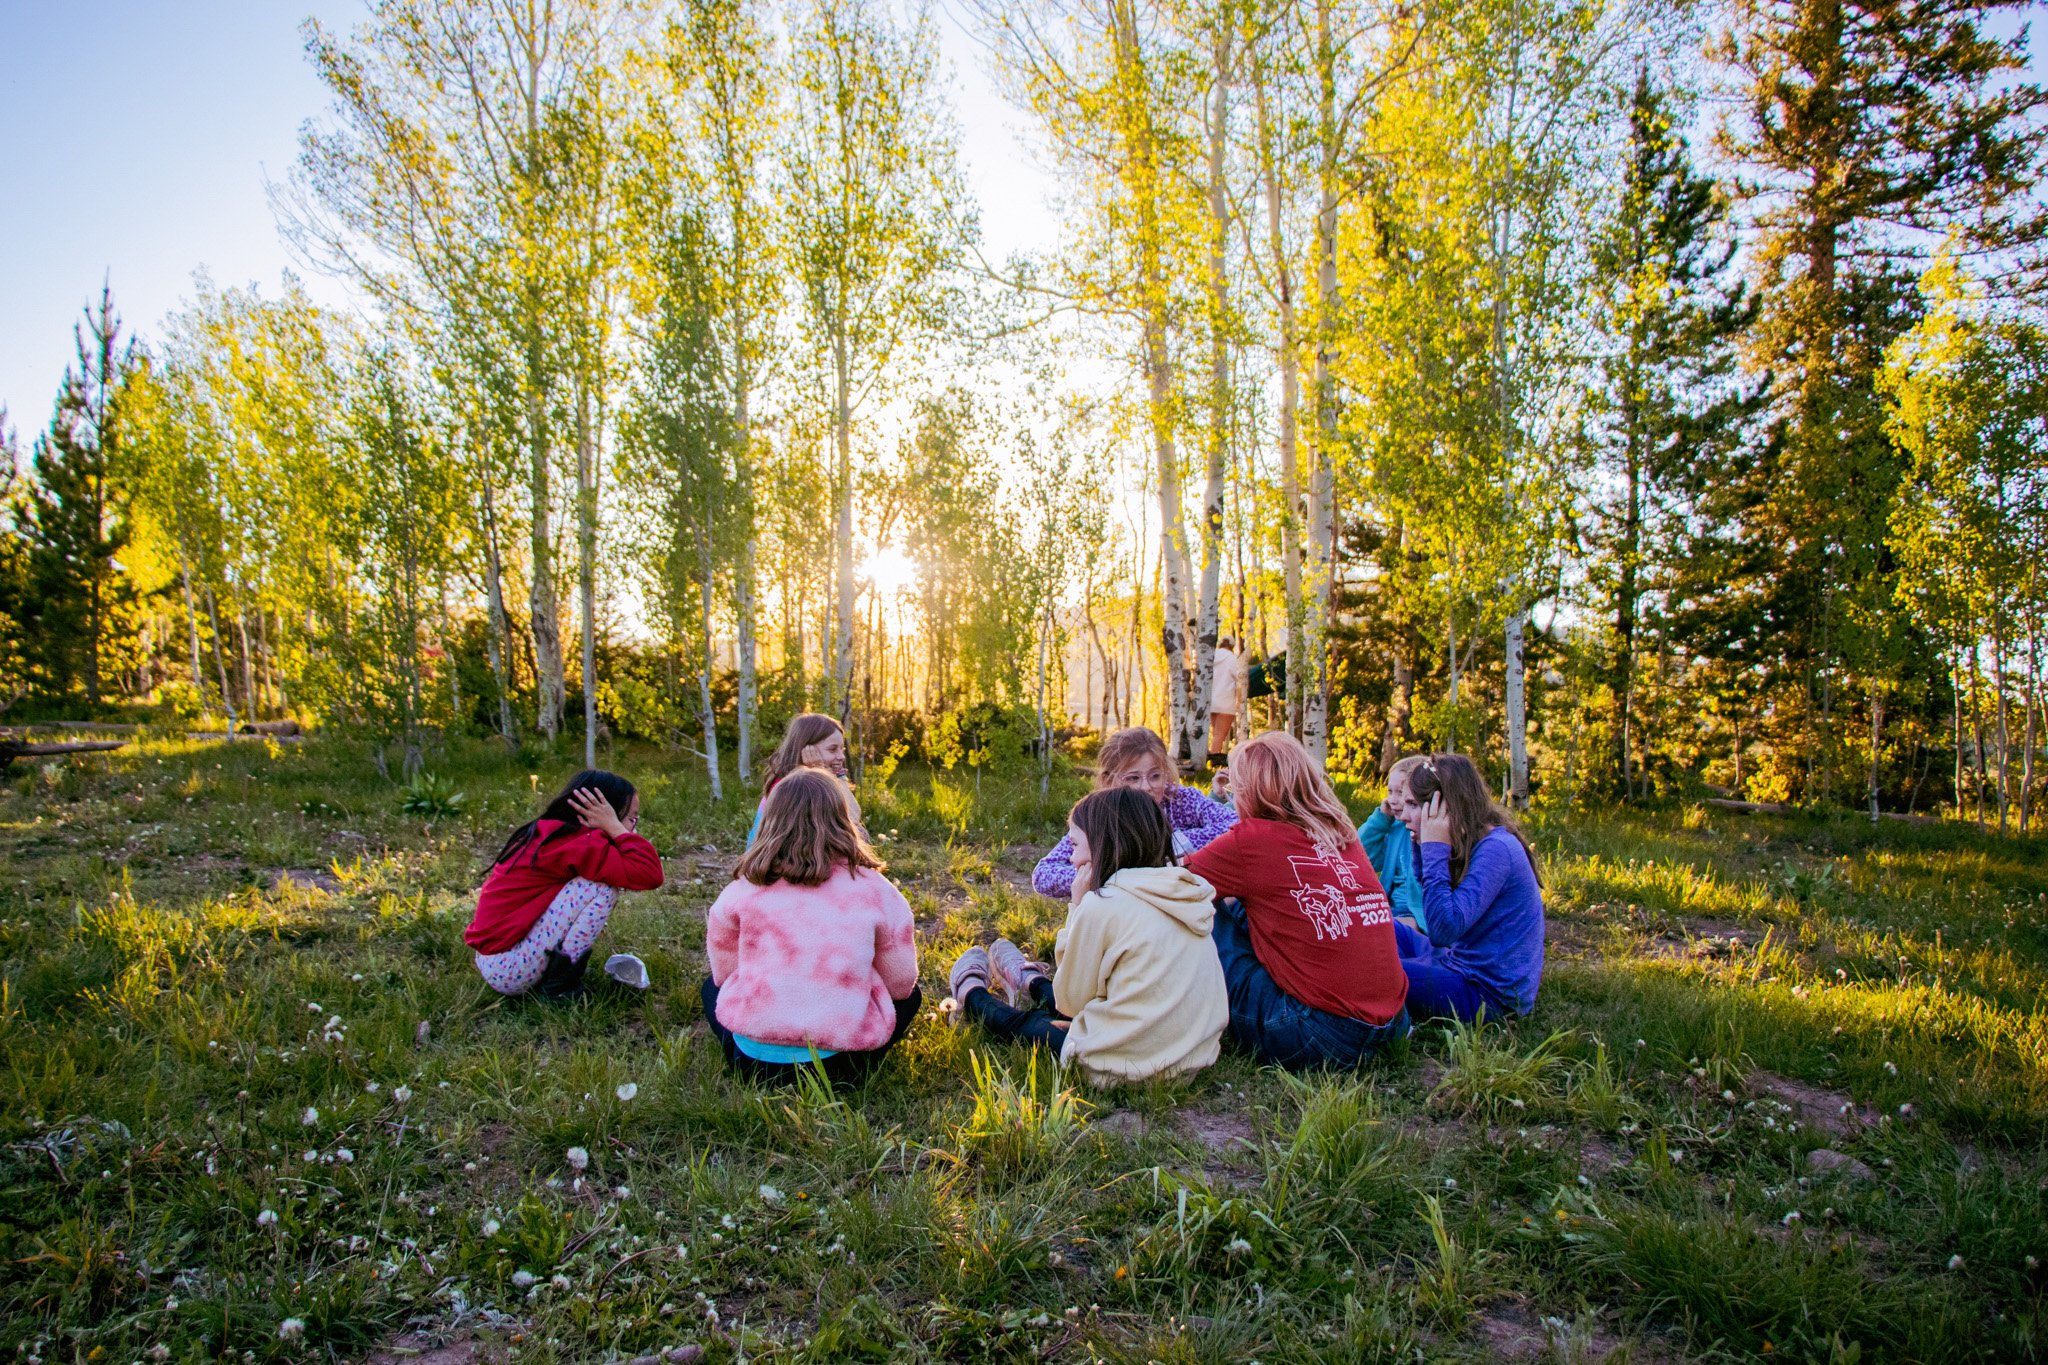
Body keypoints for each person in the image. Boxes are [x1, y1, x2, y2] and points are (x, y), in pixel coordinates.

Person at [948, 787, 1228, 1086]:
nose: (1072, 859)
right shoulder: (1185, 892)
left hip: (1128, 1069)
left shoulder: (1102, 904)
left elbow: (1071, 1003)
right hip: (1192, 1060)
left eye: (1075, 845)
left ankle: (971, 994)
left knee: (1030, 1024)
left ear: (1102, 844)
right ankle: (1032, 981)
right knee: (1092, 992)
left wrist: (1077, 908)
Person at [1182, 732, 1409, 1069]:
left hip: (1318, 1035)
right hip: (1392, 1022)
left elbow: (1173, 884)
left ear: (1249, 792)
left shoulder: (1251, 840)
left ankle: (1166, 1004)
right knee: (1254, 901)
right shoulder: (1340, 832)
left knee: (1200, 904)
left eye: (1235, 790)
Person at [703, 767, 921, 1085]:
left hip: (752, 1064)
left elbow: (724, 977)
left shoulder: (744, 887)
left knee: (709, 988)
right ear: (843, 820)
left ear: (770, 822)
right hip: (841, 1064)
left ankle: (757, 1050)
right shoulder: (876, 889)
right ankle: (856, 1064)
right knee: (912, 997)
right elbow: (900, 985)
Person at [465, 770, 665, 1000]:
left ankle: (554, 972)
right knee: (600, 888)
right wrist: (615, 828)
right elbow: (649, 874)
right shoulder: (579, 843)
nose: (634, 830)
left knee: (592, 883)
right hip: (509, 969)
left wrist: (616, 826)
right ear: (602, 812)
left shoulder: (552, 832)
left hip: (495, 960)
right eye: (631, 819)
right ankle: (560, 988)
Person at [1393, 754, 1545, 1022]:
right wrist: (1421, 844)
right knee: (1381, 926)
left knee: (1380, 973)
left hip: (1488, 994)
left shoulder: (1497, 849)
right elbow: (1435, 917)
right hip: (1454, 961)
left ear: (1445, 809)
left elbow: (1443, 929)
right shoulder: (1474, 839)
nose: (1403, 815)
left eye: (1413, 805)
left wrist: (1432, 848)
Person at [1032, 726, 1235, 898]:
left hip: (1182, 901)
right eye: (1133, 778)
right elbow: (1044, 874)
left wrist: (1170, 845)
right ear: (1108, 780)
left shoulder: (1179, 799)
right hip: (1116, 909)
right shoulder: (1100, 814)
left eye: (1155, 776)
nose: (1146, 787)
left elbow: (1233, 824)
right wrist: (1108, 873)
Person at [749, 713, 862, 847]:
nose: (841, 756)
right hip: (780, 861)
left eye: (841, 749)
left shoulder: (817, 780)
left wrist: (838, 776)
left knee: (860, 834)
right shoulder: (789, 787)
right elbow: (851, 820)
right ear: (806, 749)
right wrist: (821, 770)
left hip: (802, 856)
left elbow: (855, 816)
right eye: (832, 749)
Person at [1358, 755, 1429, 930]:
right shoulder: (1395, 829)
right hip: (1389, 907)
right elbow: (1362, 856)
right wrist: (1380, 820)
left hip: (1419, 915)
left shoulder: (1430, 832)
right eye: (1390, 791)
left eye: (1400, 793)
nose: (1393, 800)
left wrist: (1418, 922)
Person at [1209, 637, 1245, 759]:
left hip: (1211, 701)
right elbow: (1240, 678)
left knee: (1215, 734)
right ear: (1232, 646)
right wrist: (1240, 701)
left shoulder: (1210, 657)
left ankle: (1211, 759)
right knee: (1220, 735)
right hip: (1226, 702)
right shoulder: (1232, 658)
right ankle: (1214, 761)